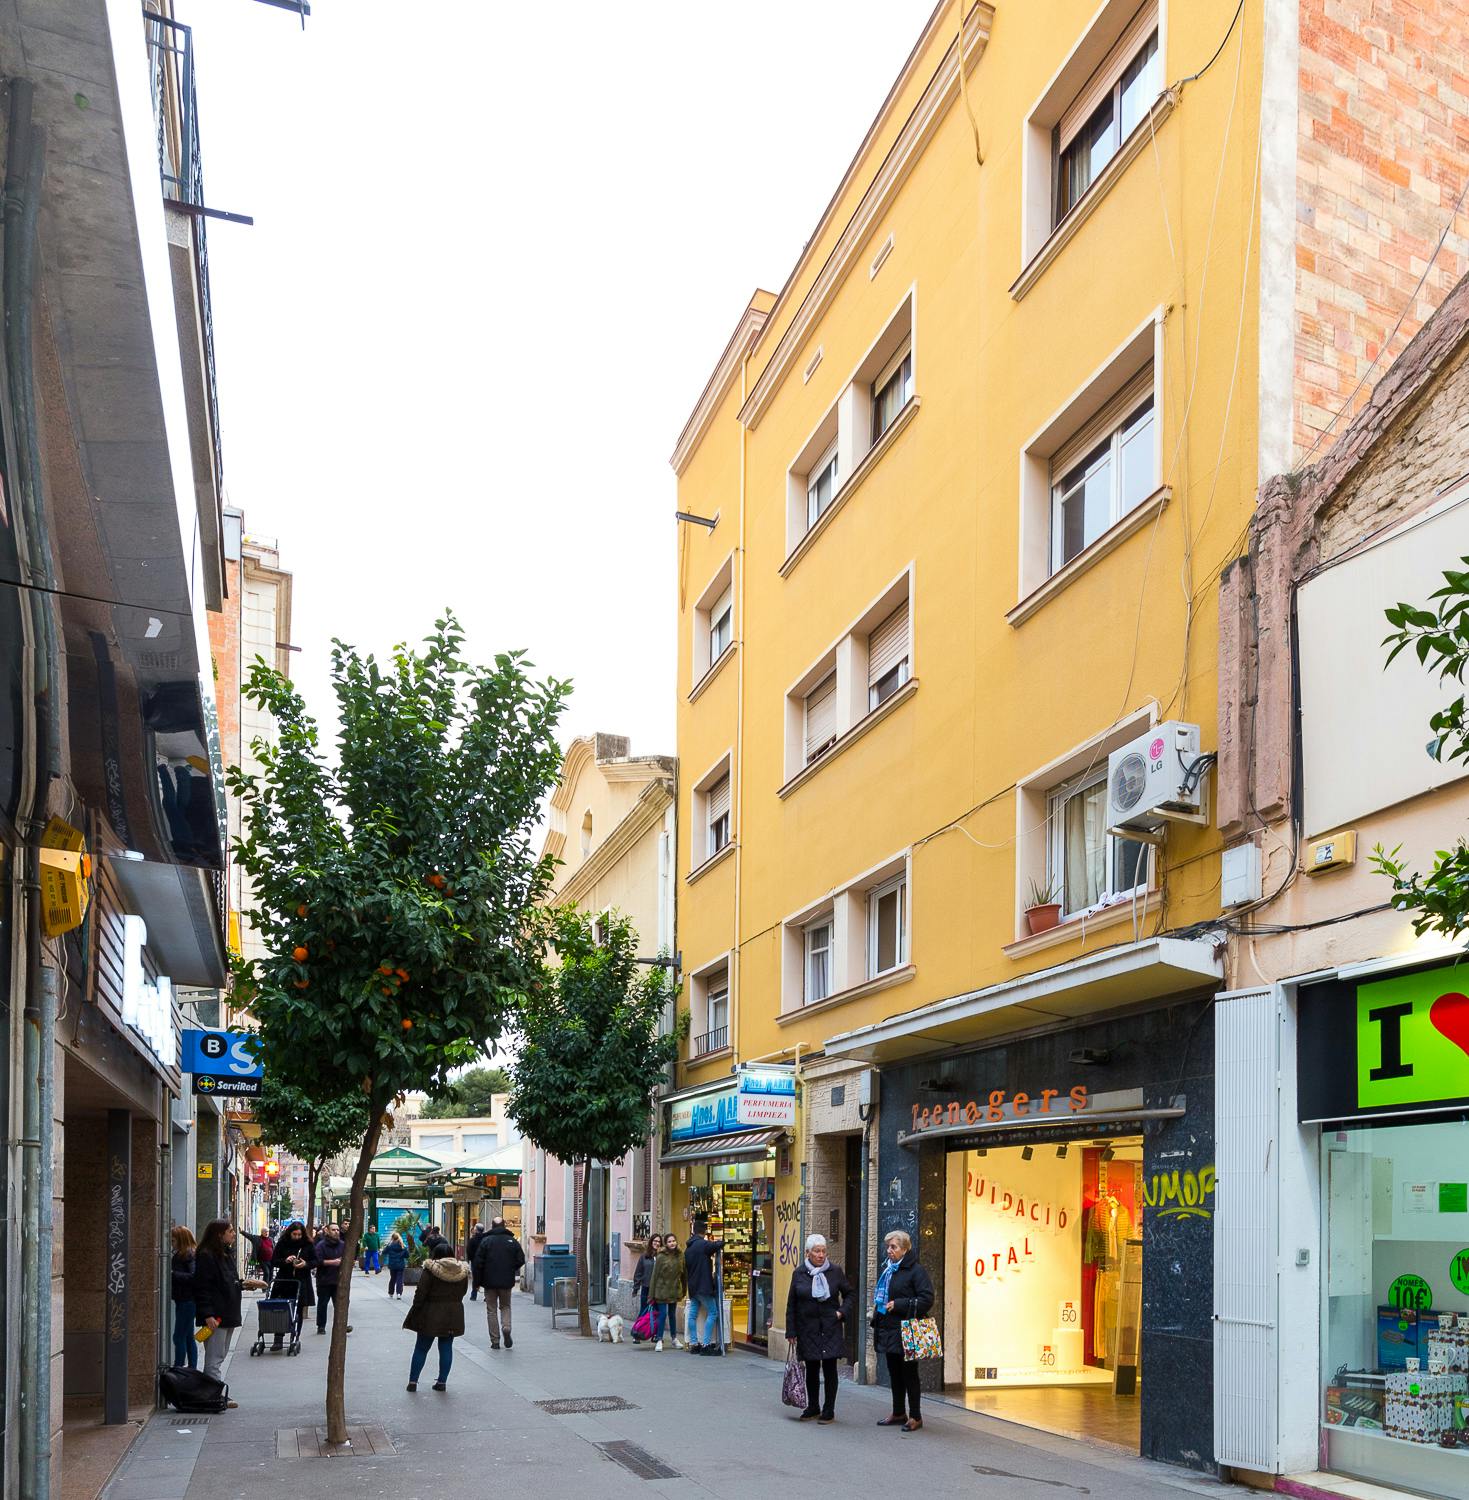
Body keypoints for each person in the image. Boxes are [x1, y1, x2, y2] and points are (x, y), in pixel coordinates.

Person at [871, 1229, 934, 1433]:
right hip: (889, 1328)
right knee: (894, 1373)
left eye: (893, 1247)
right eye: (887, 1247)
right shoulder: (889, 1269)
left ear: (905, 1249)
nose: (889, 1250)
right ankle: (898, 1412)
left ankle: (915, 1416)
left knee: (909, 1374)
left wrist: (898, 1304)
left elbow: (927, 1299)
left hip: (908, 1330)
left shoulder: (916, 1271)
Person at [193, 1219, 265, 1396]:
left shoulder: (225, 1253)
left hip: (227, 1312)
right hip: (216, 1315)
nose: (234, 1234)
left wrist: (244, 1284)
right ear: (220, 1234)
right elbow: (202, 1287)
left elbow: (226, 1281)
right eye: (230, 1231)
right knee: (215, 1357)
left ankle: (214, 1394)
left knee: (221, 1354)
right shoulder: (207, 1256)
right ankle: (213, 1396)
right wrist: (208, 1314)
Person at [786, 1233, 852, 1424]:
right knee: (812, 1368)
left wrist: (841, 1313)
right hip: (807, 1328)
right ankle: (813, 1407)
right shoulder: (799, 1273)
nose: (821, 1255)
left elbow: (850, 1294)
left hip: (830, 1327)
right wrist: (791, 1331)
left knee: (830, 1368)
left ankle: (829, 1410)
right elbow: (792, 1303)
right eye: (817, 1251)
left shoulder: (835, 1271)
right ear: (808, 1253)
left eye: (823, 1251)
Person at [402, 1243, 470, 1392]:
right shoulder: (462, 1271)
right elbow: (464, 1291)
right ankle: (442, 1382)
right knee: (446, 1347)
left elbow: (420, 1293)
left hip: (430, 1313)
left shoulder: (430, 1270)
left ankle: (413, 1381)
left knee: (421, 1347)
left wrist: (416, 1309)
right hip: (453, 1314)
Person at [471, 1215, 525, 1350]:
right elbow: (521, 1259)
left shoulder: (486, 1241)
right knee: (505, 1306)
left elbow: (478, 1263)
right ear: (504, 1226)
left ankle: (495, 1340)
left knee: (491, 1310)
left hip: (489, 1282)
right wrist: (511, 1269)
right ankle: (506, 1327)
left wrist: (477, 1282)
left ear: (492, 1226)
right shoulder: (512, 1241)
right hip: (506, 1281)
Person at [269, 1222, 316, 1347]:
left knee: (298, 1310)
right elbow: (274, 1261)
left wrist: (305, 1264)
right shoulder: (282, 1243)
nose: (297, 1237)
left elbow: (315, 1261)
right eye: (294, 1234)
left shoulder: (308, 1244)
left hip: (301, 1281)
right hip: (284, 1281)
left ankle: (295, 1337)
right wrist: (285, 1261)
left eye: (299, 1235)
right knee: (280, 1309)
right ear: (289, 1233)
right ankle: (278, 1338)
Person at [684, 1218, 723, 1354]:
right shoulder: (703, 1244)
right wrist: (721, 1241)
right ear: (704, 1231)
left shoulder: (688, 1248)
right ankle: (706, 1345)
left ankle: (694, 1344)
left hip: (693, 1286)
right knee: (713, 1312)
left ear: (693, 1231)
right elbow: (717, 1245)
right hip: (703, 1286)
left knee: (692, 1315)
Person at [313, 1223, 353, 1336]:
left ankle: (342, 1325)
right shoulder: (321, 1245)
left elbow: (349, 1259)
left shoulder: (343, 1245)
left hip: (339, 1280)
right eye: (333, 1230)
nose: (336, 1232)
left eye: (337, 1230)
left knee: (340, 1304)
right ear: (327, 1231)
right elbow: (317, 1261)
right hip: (324, 1280)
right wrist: (332, 1262)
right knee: (322, 1304)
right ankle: (321, 1326)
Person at [649, 1232, 686, 1352]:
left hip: (674, 1289)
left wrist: (684, 1290)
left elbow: (684, 1274)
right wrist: (651, 1294)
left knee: (672, 1314)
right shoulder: (661, 1256)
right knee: (663, 1314)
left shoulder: (680, 1255)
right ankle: (659, 1339)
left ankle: (674, 1338)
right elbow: (654, 1275)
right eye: (669, 1241)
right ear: (666, 1243)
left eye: (673, 1241)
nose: (672, 1243)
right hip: (661, 1290)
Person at [170, 1225, 197, 1370]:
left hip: (187, 1300)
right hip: (185, 1299)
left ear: (181, 1240)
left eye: (173, 1240)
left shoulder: (188, 1255)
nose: (171, 1243)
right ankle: (191, 1369)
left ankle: (178, 1368)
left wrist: (173, 1274)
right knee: (187, 1337)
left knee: (179, 1336)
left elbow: (194, 1277)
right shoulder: (185, 1254)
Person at [632, 1233, 662, 1317]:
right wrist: (635, 1288)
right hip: (646, 1287)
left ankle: (652, 1326)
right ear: (651, 1242)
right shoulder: (644, 1256)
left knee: (656, 1312)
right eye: (655, 1241)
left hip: (658, 1289)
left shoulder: (662, 1256)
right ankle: (638, 1325)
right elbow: (638, 1272)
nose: (657, 1243)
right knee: (644, 1310)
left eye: (659, 1242)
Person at [383, 1231, 409, 1299]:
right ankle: (399, 1293)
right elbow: (407, 1255)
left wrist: (388, 1245)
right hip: (400, 1265)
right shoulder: (403, 1246)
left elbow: (384, 1252)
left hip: (392, 1265)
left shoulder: (390, 1246)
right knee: (399, 1279)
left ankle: (391, 1293)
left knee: (393, 1278)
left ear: (392, 1238)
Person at [466, 1222, 486, 1300]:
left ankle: (473, 1295)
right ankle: (486, 1296)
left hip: (475, 1261)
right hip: (485, 1261)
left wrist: (471, 1259)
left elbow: (469, 1251)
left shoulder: (472, 1240)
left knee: (475, 1278)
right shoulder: (486, 1239)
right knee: (485, 1277)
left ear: (476, 1230)